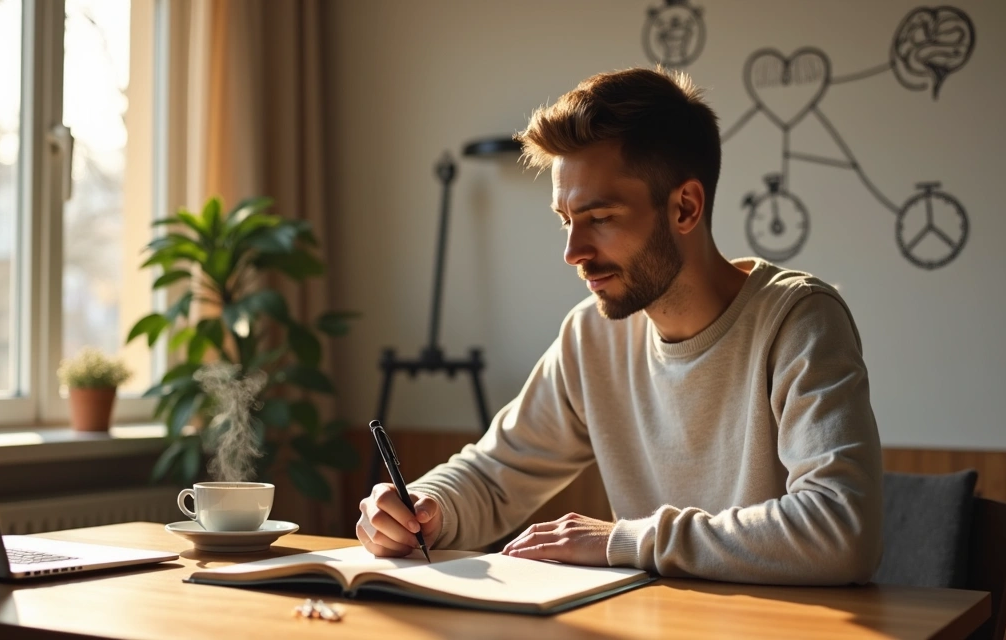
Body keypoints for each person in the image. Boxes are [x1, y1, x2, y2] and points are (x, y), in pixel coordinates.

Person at [356, 67, 883, 585]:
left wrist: (623, 541)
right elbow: (496, 474)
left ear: (685, 207)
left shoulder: (799, 319)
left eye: (600, 218)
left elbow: (841, 529)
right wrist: (423, 508)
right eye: (567, 221)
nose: (572, 252)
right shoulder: (593, 335)